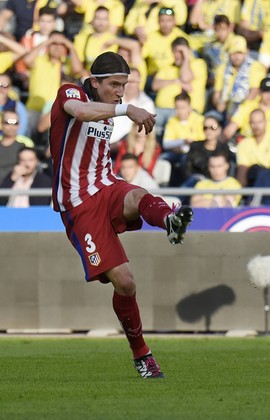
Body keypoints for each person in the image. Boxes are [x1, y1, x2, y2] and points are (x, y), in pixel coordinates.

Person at [49, 51, 194, 379]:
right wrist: (127, 108)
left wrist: (122, 110)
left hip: (107, 186)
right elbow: (81, 112)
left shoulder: (109, 112)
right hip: (78, 205)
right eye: (114, 84)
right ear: (95, 80)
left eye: (124, 86)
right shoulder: (71, 93)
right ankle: (141, 353)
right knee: (126, 284)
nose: (120, 91)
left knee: (138, 194)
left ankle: (169, 219)